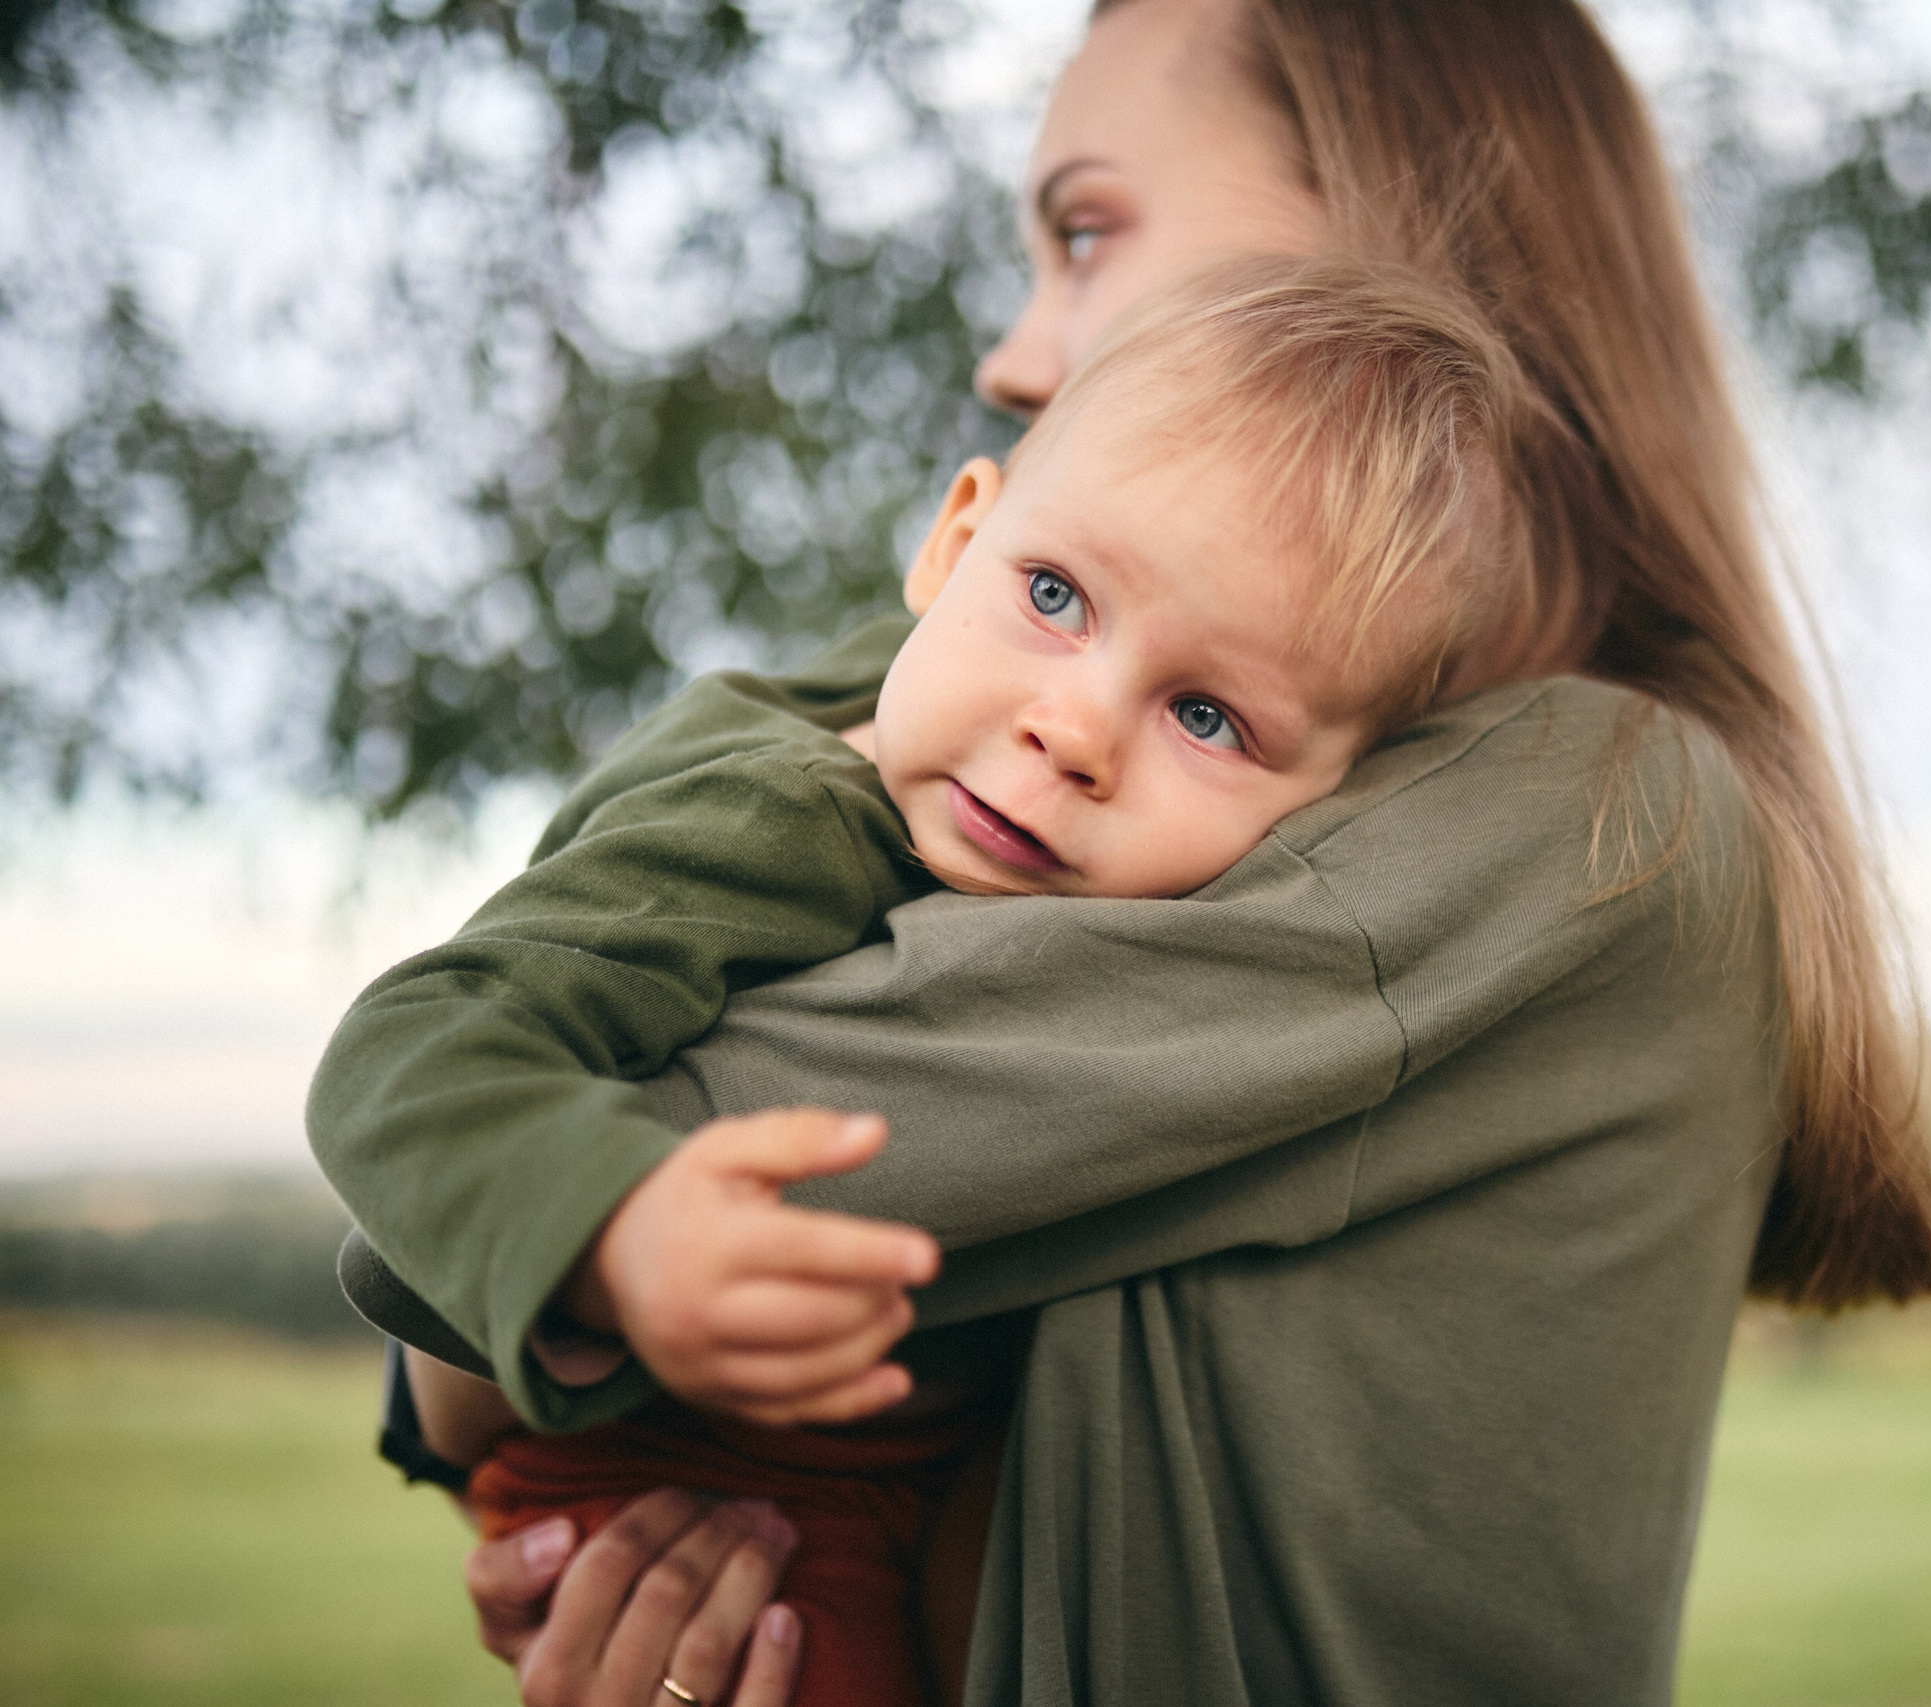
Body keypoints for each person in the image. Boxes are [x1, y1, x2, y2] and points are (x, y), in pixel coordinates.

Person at [332, 0, 1931, 1703]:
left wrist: (532, 1308)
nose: (1018, 355)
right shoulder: (1036, 743)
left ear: (1394, 226)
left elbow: (471, 1250)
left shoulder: (1580, 817)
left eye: (1090, 230)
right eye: (1047, 595)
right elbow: (469, 1209)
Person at [310, 253, 1541, 1707]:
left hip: (916, 1459)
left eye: (1207, 715)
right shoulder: (774, 820)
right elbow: (410, 1045)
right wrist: (617, 1234)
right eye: (1056, 596)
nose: (1074, 730)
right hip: (708, 1498)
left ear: (1344, 802)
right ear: (952, 545)